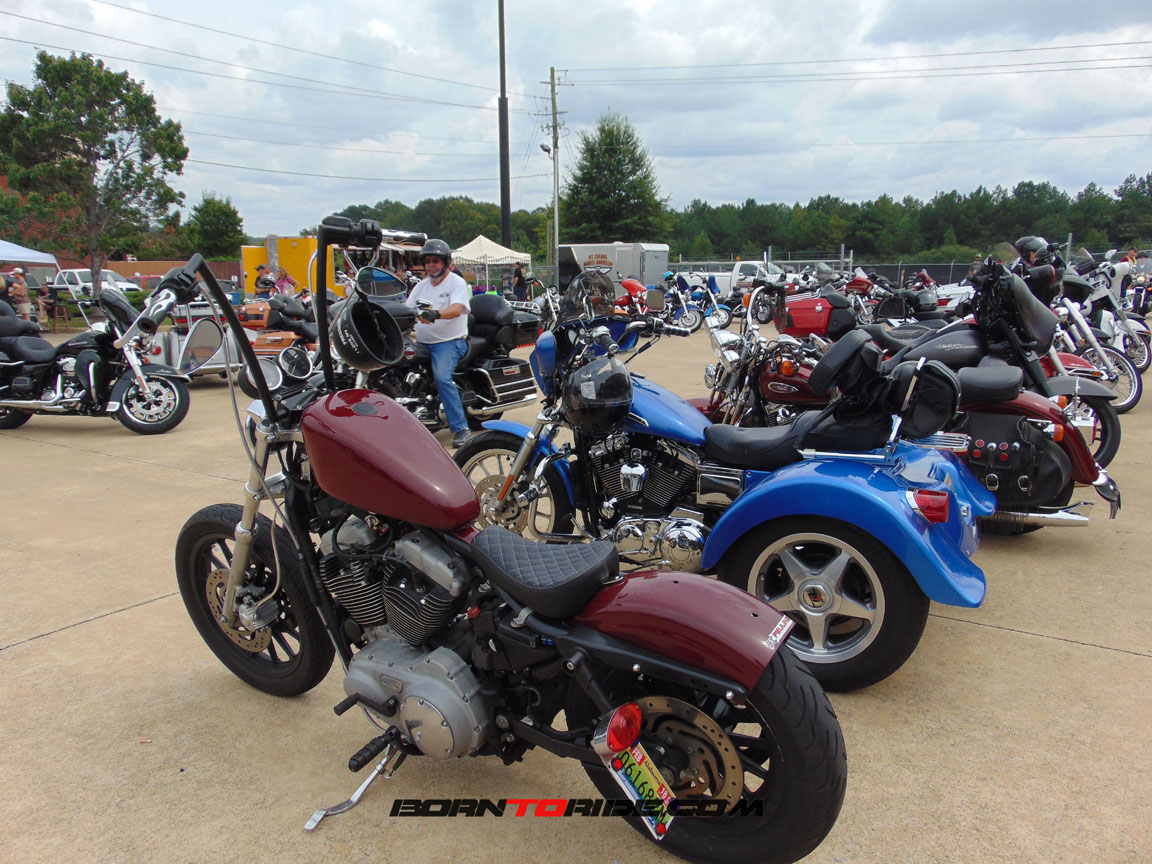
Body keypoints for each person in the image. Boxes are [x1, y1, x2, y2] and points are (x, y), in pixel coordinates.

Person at [405, 238, 473, 448]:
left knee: (442, 378)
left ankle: (461, 428)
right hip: (423, 342)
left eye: (436, 260)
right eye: (427, 261)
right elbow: (407, 309)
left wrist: (435, 314)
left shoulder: (456, 282)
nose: (431, 265)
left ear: (445, 263)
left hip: (450, 343)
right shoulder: (421, 286)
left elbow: (457, 309)